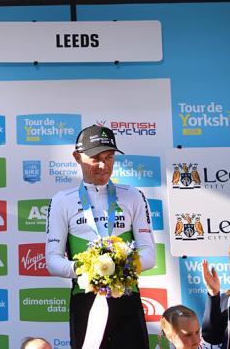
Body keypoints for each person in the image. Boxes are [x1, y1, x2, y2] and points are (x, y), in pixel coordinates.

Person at [45, 124, 156, 349]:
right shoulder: (61, 200)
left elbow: (149, 254)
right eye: (95, 158)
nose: (104, 165)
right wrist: (88, 270)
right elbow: (53, 261)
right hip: (85, 299)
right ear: (77, 157)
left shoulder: (134, 196)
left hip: (127, 298)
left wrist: (120, 270)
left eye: (109, 157)